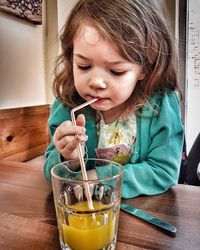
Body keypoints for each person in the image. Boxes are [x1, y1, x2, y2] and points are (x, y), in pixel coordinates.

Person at [44, 0, 184, 198]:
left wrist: (102, 179)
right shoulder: (68, 104)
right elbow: (52, 174)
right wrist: (69, 158)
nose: (97, 82)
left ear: (144, 68)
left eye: (116, 71)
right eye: (84, 66)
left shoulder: (161, 105)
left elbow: (164, 172)